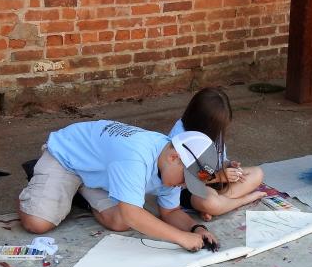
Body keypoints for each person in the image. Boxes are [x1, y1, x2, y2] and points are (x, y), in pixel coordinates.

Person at [17, 120, 221, 252]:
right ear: (174, 157)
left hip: (102, 170)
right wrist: (181, 238)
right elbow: (133, 213)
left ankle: (80, 192)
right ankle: (42, 172)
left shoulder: (169, 167)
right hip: (67, 158)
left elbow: (171, 212)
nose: (184, 186)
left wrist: (197, 228)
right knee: (37, 223)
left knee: (121, 222)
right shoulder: (135, 156)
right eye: (186, 179)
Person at [168, 87, 265, 219]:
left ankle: (221, 203)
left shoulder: (213, 130)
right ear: (204, 124)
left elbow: (220, 160)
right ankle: (241, 200)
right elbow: (185, 178)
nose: (219, 132)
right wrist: (219, 177)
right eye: (217, 129)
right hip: (190, 190)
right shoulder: (181, 138)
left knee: (257, 173)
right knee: (209, 202)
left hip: (215, 182)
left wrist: (228, 165)